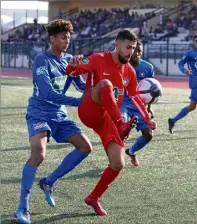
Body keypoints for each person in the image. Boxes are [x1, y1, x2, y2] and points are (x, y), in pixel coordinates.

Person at [65, 29, 157, 216]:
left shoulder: (130, 71)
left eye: (132, 48)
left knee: (118, 163)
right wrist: (72, 64)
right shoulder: (98, 58)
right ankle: (120, 123)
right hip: (89, 109)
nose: (130, 52)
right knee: (105, 85)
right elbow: (71, 70)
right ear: (117, 45)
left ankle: (93, 198)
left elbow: (135, 98)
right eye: (127, 47)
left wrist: (147, 119)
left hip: (106, 117)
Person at [14, 19, 93, 224]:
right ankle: (23, 208)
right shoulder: (42, 60)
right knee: (39, 154)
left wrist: (88, 77)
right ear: (52, 38)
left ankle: (49, 182)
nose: (67, 41)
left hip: (59, 113)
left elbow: (81, 86)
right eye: (63, 37)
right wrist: (78, 102)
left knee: (85, 147)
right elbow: (48, 93)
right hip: (39, 111)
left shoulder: (68, 60)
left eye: (68, 37)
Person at [168, 33, 197, 139]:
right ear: (193, 42)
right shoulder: (190, 53)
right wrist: (185, 71)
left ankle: (172, 120)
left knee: (192, 106)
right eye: (196, 40)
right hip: (196, 83)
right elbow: (180, 63)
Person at [120, 41, 155, 166]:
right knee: (120, 130)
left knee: (148, 135)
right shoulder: (121, 65)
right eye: (135, 51)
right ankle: (115, 161)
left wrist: (149, 108)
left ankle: (131, 151)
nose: (137, 54)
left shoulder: (148, 68)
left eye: (140, 51)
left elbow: (151, 90)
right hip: (122, 103)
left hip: (138, 106)